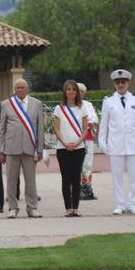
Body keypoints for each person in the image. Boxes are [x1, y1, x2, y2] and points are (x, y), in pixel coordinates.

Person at [98, 69, 135, 215]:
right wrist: (102, 142)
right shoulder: (108, 102)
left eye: (123, 82)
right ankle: (119, 204)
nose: (121, 85)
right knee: (117, 176)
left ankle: (133, 203)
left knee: (134, 176)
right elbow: (104, 124)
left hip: (133, 143)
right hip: (116, 144)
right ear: (114, 83)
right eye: (118, 82)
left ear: (128, 83)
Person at [0, 79, 44, 218]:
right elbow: (2, 129)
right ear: (14, 89)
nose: (20, 90)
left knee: (31, 180)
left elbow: (40, 128)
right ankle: (12, 207)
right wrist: (1, 149)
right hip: (11, 148)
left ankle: (32, 207)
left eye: (23, 87)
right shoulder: (6, 104)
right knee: (11, 180)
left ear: (27, 88)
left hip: (30, 148)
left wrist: (40, 149)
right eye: (17, 87)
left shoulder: (37, 104)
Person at [53, 80, 88, 217]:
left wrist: (78, 142)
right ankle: (68, 207)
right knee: (66, 178)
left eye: (73, 89)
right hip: (63, 148)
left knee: (76, 177)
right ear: (65, 92)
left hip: (79, 148)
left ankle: (76, 208)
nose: (71, 92)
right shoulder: (59, 108)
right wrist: (65, 143)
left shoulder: (82, 108)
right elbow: (56, 127)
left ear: (77, 92)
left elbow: (86, 128)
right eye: (68, 89)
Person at [77, 83, 99, 200]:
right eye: (78, 91)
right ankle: (75, 189)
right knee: (76, 164)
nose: (80, 93)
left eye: (82, 91)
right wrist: (87, 122)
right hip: (75, 138)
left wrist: (86, 123)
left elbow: (94, 119)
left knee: (88, 164)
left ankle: (87, 188)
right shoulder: (70, 105)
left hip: (88, 138)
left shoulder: (88, 104)